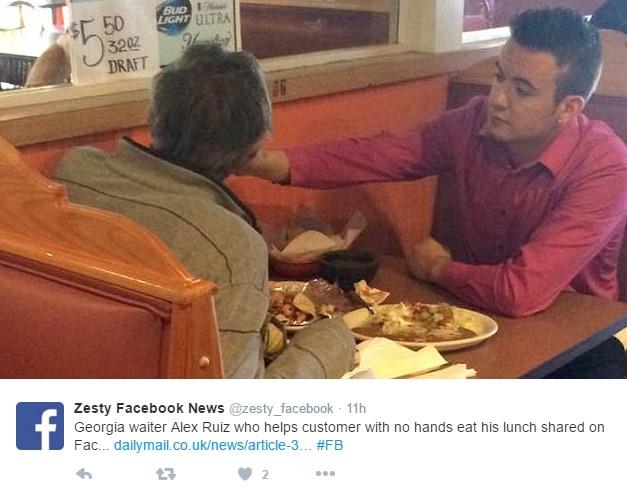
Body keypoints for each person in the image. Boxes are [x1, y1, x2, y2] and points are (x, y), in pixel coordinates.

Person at [239, 8, 627, 378]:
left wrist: (437, 268)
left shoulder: (605, 166)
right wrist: (270, 163)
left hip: (581, 345)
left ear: (568, 108)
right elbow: (382, 154)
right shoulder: (473, 122)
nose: (497, 99)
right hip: (477, 320)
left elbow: (522, 292)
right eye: (499, 77)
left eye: (521, 90)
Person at [54, 42, 355, 379]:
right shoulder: (232, 247)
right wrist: (333, 342)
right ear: (252, 149)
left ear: (154, 117)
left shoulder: (75, 170)